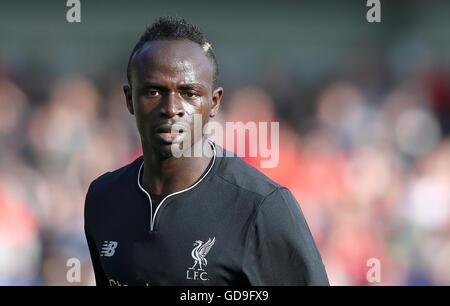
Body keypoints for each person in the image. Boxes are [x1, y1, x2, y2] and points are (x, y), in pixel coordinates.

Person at [84, 16, 329, 286]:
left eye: (189, 93)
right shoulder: (103, 198)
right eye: (154, 91)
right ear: (130, 99)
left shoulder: (261, 206)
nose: (172, 107)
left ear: (213, 103)